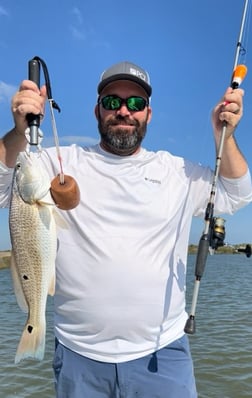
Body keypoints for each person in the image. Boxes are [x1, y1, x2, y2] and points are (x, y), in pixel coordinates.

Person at [0, 60, 251, 398]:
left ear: (148, 113)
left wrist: (225, 137)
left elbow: (236, 194)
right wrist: (18, 132)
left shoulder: (177, 171)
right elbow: (5, 187)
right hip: (79, 356)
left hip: (163, 355)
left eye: (135, 103)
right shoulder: (55, 162)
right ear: (97, 110)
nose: (123, 111)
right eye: (111, 101)